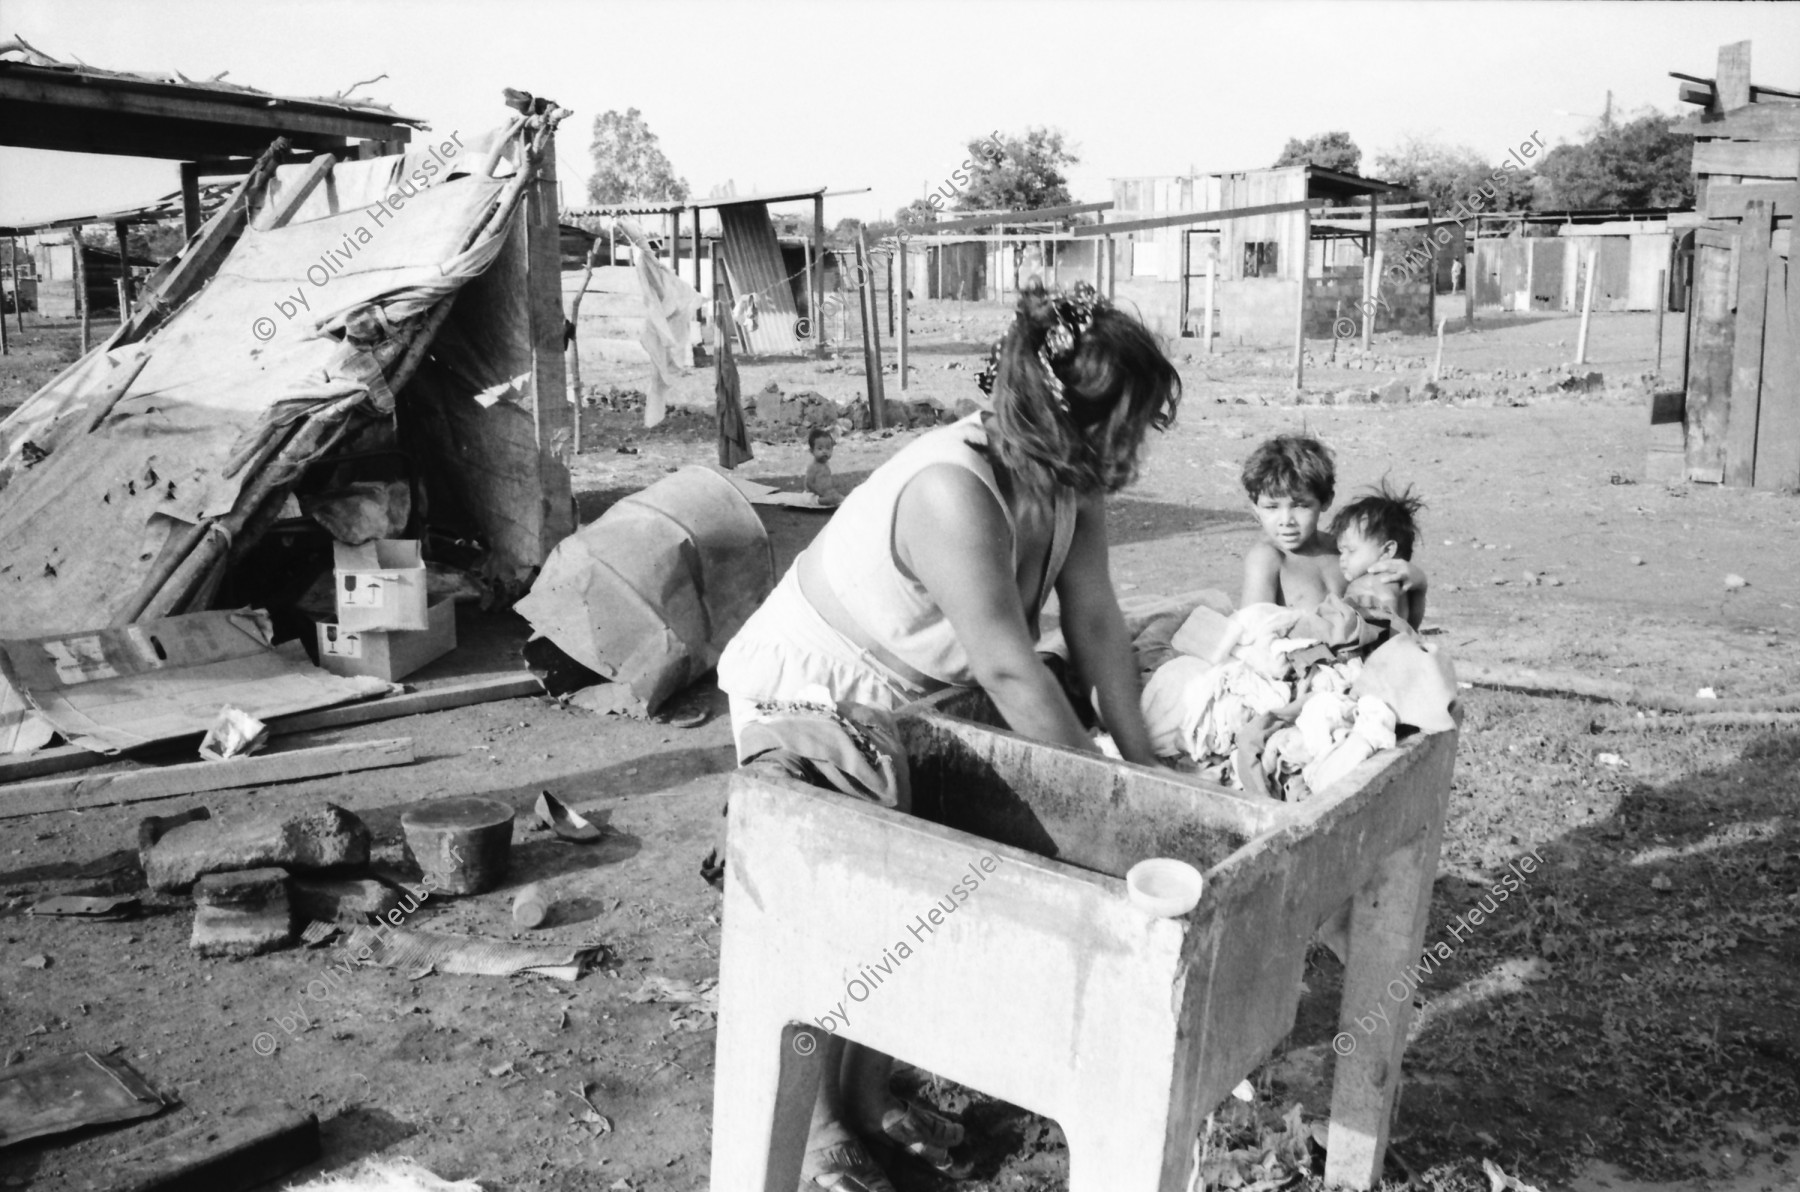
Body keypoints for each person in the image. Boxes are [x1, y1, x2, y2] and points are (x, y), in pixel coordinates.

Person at [715, 280, 1179, 1191]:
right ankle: (818, 1140)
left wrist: (1151, 766)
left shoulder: (1069, 487)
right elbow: (1010, 669)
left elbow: (1096, 625)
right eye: (1122, 423)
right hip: (817, 699)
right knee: (831, 923)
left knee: (911, 917)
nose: (1134, 446)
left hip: (918, 704)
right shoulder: (950, 491)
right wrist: (1108, 801)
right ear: (1060, 412)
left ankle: (868, 1095)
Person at [1237, 434, 1344, 613]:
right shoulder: (1268, 559)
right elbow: (1254, 630)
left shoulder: (1343, 550)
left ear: (1325, 501)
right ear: (1255, 506)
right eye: (1271, 507)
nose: (1286, 521)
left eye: (1300, 505)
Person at [1331, 481, 1429, 630]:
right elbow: (1414, 621)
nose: (1342, 558)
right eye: (1341, 551)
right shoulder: (1399, 584)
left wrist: (1393, 638)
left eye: (1351, 550)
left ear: (1387, 551)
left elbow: (1389, 610)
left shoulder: (1379, 580)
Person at [803, 427, 841, 507]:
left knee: (836, 496)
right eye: (820, 448)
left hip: (824, 492)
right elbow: (809, 483)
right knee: (832, 499)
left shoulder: (825, 465)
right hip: (814, 495)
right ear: (812, 451)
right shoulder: (813, 466)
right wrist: (818, 492)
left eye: (828, 448)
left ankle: (841, 500)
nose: (824, 451)